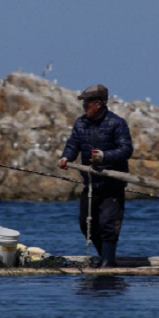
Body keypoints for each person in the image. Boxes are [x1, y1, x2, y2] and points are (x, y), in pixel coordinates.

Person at [59, 84, 133, 267]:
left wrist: (105, 156)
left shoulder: (117, 123)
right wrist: (66, 157)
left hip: (112, 185)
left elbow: (126, 150)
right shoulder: (81, 123)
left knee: (108, 224)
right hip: (91, 184)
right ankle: (103, 257)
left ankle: (108, 261)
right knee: (86, 224)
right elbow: (73, 144)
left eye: (86, 104)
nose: (84, 107)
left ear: (97, 104)